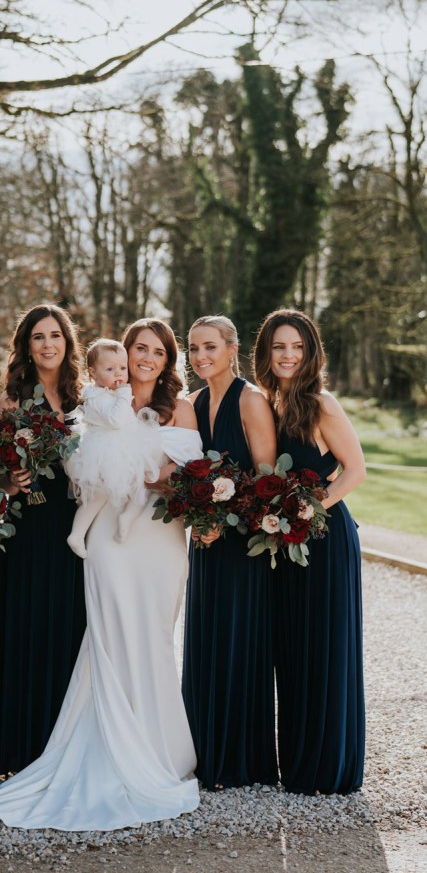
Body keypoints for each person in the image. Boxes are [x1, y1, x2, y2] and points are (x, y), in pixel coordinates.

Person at [0, 317, 201, 830]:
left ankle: (157, 746)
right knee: (107, 632)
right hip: (105, 535)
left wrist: (153, 473)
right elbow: (78, 467)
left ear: (169, 360)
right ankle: (99, 742)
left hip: (157, 537)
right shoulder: (95, 401)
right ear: (119, 357)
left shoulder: (178, 406)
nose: (145, 358)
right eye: (137, 349)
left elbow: (188, 475)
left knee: (151, 635)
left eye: (157, 351)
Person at [253, 308, 365, 794]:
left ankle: (327, 767)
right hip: (284, 545)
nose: (288, 355)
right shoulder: (265, 405)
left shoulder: (321, 403)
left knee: (322, 645)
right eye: (279, 346)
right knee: (291, 646)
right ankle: (295, 761)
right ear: (266, 352)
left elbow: (355, 469)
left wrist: (311, 507)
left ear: (311, 352)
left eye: (297, 347)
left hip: (324, 539)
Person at [0, 304, 87, 775]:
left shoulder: (85, 400)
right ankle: (22, 746)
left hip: (78, 526)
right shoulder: (11, 402)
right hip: (30, 525)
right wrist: (9, 478)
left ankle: (68, 744)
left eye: (56, 336)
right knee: (27, 621)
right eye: (38, 337)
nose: (48, 344)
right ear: (26, 345)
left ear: (68, 344)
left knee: (73, 623)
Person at [182, 316, 278, 791]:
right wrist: (198, 514)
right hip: (204, 542)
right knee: (205, 636)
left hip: (243, 546)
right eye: (194, 348)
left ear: (232, 348)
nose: (201, 357)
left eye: (210, 347)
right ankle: (204, 752)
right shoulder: (193, 402)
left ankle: (240, 759)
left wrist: (226, 518)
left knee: (239, 638)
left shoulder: (252, 400)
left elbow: (267, 483)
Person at [65, 337, 159, 559]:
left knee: (142, 482)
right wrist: (124, 396)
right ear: (92, 373)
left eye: (122, 368)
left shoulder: (112, 393)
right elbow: (115, 420)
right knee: (99, 494)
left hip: (124, 445)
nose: (118, 374)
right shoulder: (95, 396)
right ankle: (77, 534)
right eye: (110, 369)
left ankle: (127, 517)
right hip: (104, 450)